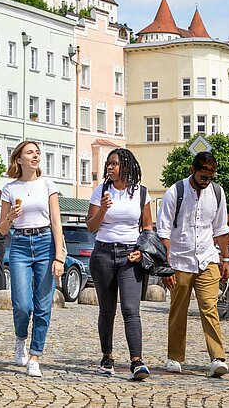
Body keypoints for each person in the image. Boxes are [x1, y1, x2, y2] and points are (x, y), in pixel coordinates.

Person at [0, 141, 65, 378]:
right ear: (19, 159)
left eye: (37, 152)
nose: (35, 155)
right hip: (19, 244)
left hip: (45, 242)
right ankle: (21, 339)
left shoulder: (48, 185)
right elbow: (4, 229)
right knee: (21, 305)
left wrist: (59, 257)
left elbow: (57, 223)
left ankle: (35, 356)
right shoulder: (10, 188)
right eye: (30, 152)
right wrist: (9, 216)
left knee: (42, 306)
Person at [157, 151, 229, 378]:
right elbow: (164, 231)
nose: (206, 182)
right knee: (178, 310)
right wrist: (166, 266)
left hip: (207, 258)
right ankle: (175, 358)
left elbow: (220, 229)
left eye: (210, 177)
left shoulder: (217, 193)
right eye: (203, 177)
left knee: (209, 307)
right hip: (180, 260)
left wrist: (225, 259)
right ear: (193, 171)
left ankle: (217, 358)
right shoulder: (175, 192)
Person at [85, 148, 153, 380]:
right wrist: (103, 209)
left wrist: (141, 252)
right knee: (107, 310)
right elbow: (91, 227)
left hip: (130, 257)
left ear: (126, 166)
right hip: (103, 254)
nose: (109, 168)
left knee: (131, 310)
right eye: (108, 164)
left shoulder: (141, 194)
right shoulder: (101, 191)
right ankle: (107, 356)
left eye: (114, 164)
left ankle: (137, 361)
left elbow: (147, 229)